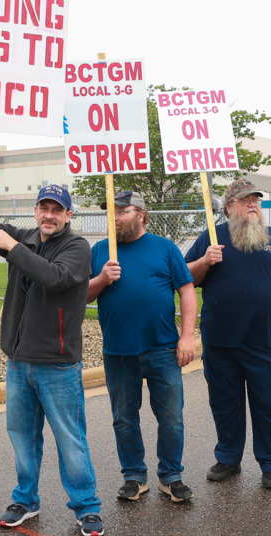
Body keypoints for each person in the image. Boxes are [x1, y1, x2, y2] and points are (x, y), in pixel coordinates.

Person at [0, 150, 104, 536]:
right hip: (18, 362)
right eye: (43, 208)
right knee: (23, 439)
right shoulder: (25, 237)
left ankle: (87, 507)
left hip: (58, 364)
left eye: (57, 209)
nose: (49, 215)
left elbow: (54, 277)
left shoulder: (77, 247)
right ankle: (25, 500)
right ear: (36, 210)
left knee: (70, 439)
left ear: (68, 215)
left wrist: (13, 248)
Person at [185, 178, 271, 490]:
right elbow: (187, 279)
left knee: (268, 404)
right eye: (244, 200)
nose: (252, 204)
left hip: (265, 339)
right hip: (220, 341)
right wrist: (205, 260)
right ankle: (228, 458)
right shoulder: (212, 238)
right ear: (229, 208)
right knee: (225, 403)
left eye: (256, 200)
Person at [87, 190, 198, 503]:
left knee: (171, 418)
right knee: (124, 418)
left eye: (122, 211)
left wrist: (187, 336)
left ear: (142, 214)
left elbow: (187, 291)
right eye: (112, 212)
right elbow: (83, 295)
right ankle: (134, 476)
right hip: (118, 352)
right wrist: (101, 279)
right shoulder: (99, 251)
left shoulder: (164, 248)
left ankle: (171, 476)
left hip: (163, 349)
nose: (116, 217)